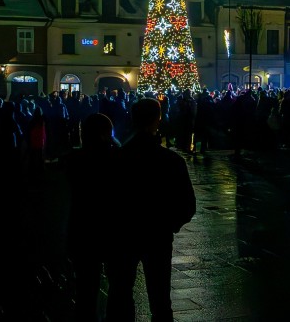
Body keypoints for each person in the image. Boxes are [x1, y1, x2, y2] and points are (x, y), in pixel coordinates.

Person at [105, 98, 196, 322]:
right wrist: (170, 225)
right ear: (157, 119)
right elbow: (187, 204)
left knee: (120, 293)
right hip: (157, 234)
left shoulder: (116, 158)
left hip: (123, 233)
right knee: (160, 297)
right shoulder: (170, 160)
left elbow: (105, 200)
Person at [64, 113, 122, 322]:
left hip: (83, 228)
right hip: (111, 228)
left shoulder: (74, 159)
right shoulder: (116, 158)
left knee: (85, 290)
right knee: (119, 288)